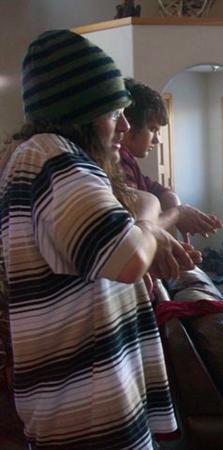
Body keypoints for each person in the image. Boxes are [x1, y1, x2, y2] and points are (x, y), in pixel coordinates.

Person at [0, 30, 189, 449]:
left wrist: (145, 224)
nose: (125, 126)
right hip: (86, 410)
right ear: (79, 114)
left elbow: (118, 235)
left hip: (88, 400)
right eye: (113, 112)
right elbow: (128, 257)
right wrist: (150, 227)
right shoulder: (52, 158)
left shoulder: (51, 160)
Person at [121, 78, 223, 242]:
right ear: (129, 125)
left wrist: (177, 208)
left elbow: (157, 189)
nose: (157, 140)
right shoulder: (116, 162)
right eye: (152, 129)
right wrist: (178, 214)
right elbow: (135, 232)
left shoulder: (128, 161)